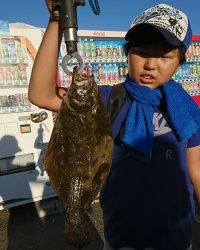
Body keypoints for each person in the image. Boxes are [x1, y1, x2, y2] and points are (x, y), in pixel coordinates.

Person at [28, 2, 200, 250]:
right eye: (141, 52)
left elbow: (196, 172)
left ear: (181, 60)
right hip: (122, 236)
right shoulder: (107, 99)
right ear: (127, 53)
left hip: (177, 236)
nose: (151, 64)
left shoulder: (188, 111)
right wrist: (57, 20)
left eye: (164, 56)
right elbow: (41, 95)